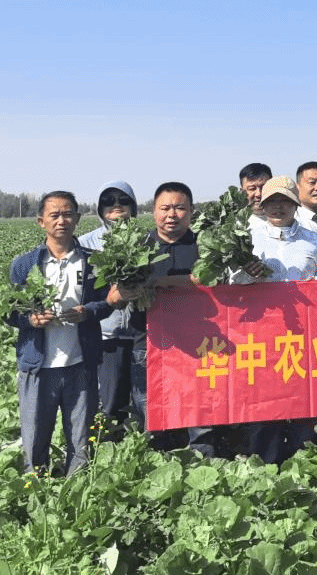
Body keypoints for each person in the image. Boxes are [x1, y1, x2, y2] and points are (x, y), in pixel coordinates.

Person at [9, 191, 111, 475]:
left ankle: (77, 487)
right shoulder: (24, 264)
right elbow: (8, 311)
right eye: (54, 215)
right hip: (38, 365)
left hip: (81, 363)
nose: (61, 220)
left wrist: (87, 311)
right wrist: (31, 319)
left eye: (67, 214)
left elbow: (107, 303)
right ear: (41, 221)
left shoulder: (94, 261)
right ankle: (36, 485)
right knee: (35, 436)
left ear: (77, 219)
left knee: (81, 438)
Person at [233, 176, 317, 463]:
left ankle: (306, 463)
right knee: (265, 404)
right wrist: (246, 275)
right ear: (262, 205)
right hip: (260, 335)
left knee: (305, 403)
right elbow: (230, 284)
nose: (278, 207)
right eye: (272, 201)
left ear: (295, 205)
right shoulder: (249, 238)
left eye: (284, 201)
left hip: (304, 333)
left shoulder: (313, 237)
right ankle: (266, 464)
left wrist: (314, 286)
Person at [108, 181, 206, 447]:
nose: (172, 214)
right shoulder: (137, 247)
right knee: (152, 411)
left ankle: (202, 460)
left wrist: (158, 282)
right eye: (165, 208)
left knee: (200, 410)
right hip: (148, 343)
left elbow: (208, 280)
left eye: (179, 208)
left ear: (191, 211)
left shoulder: (204, 245)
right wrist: (129, 290)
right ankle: (159, 459)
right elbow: (114, 299)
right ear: (153, 211)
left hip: (200, 344)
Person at [78, 181, 138, 428]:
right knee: (111, 400)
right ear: (100, 208)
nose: (116, 205)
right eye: (108, 201)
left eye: (123, 200)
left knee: (143, 399)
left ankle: (142, 442)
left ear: (133, 206)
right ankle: (109, 442)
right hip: (106, 333)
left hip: (141, 333)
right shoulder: (84, 244)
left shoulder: (145, 241)